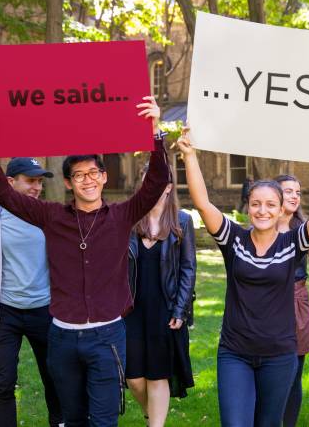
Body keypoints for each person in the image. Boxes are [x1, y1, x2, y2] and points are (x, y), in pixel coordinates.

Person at [0, 96, 170, 426]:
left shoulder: (122, 216)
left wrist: (155, 133)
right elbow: (3, 194)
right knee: (72, 419)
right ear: (68, 183)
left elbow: (155, 185)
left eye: (94, 172)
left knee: (104, 420)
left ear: (104, 177)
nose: (88, 180)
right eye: (79, 175)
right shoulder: (51, 217)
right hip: (62, 338)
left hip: (107, 337)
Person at [175, 127, 309, 426]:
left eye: (271, 204)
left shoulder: (292, 244)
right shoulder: (233, 240)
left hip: (279, 355)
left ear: (280, 209)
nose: (263, 210)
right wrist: (190, 155)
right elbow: (203, 204)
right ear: (247, 207)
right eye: (256, 204)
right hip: (235, 353)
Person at [0, 158, 62, 427]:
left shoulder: (48, 217)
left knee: (55, 378)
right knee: (3, 384)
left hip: (46, 312)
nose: (37, 187)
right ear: (9, 182)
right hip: (7, 315)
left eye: (40, 181)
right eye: (30, 180)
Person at [126, 168, 196, 427]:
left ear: (168, 187)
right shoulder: (130, 219)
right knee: (133, 377)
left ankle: (156, 424)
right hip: (131, 310)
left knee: (157, 376)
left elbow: (189, 268)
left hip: (165, 310)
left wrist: (180, 310)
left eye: (158, 181)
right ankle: (151, 414)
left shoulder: (182, 221)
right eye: (147, 180)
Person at [274, 174, 309, 427]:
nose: (294, 196)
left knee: (294, 373)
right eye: (288, 191)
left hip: (296, 300)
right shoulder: (261, 227)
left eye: (298, 192)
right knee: (270, 372)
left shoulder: (304, 230)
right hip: (267, 303)